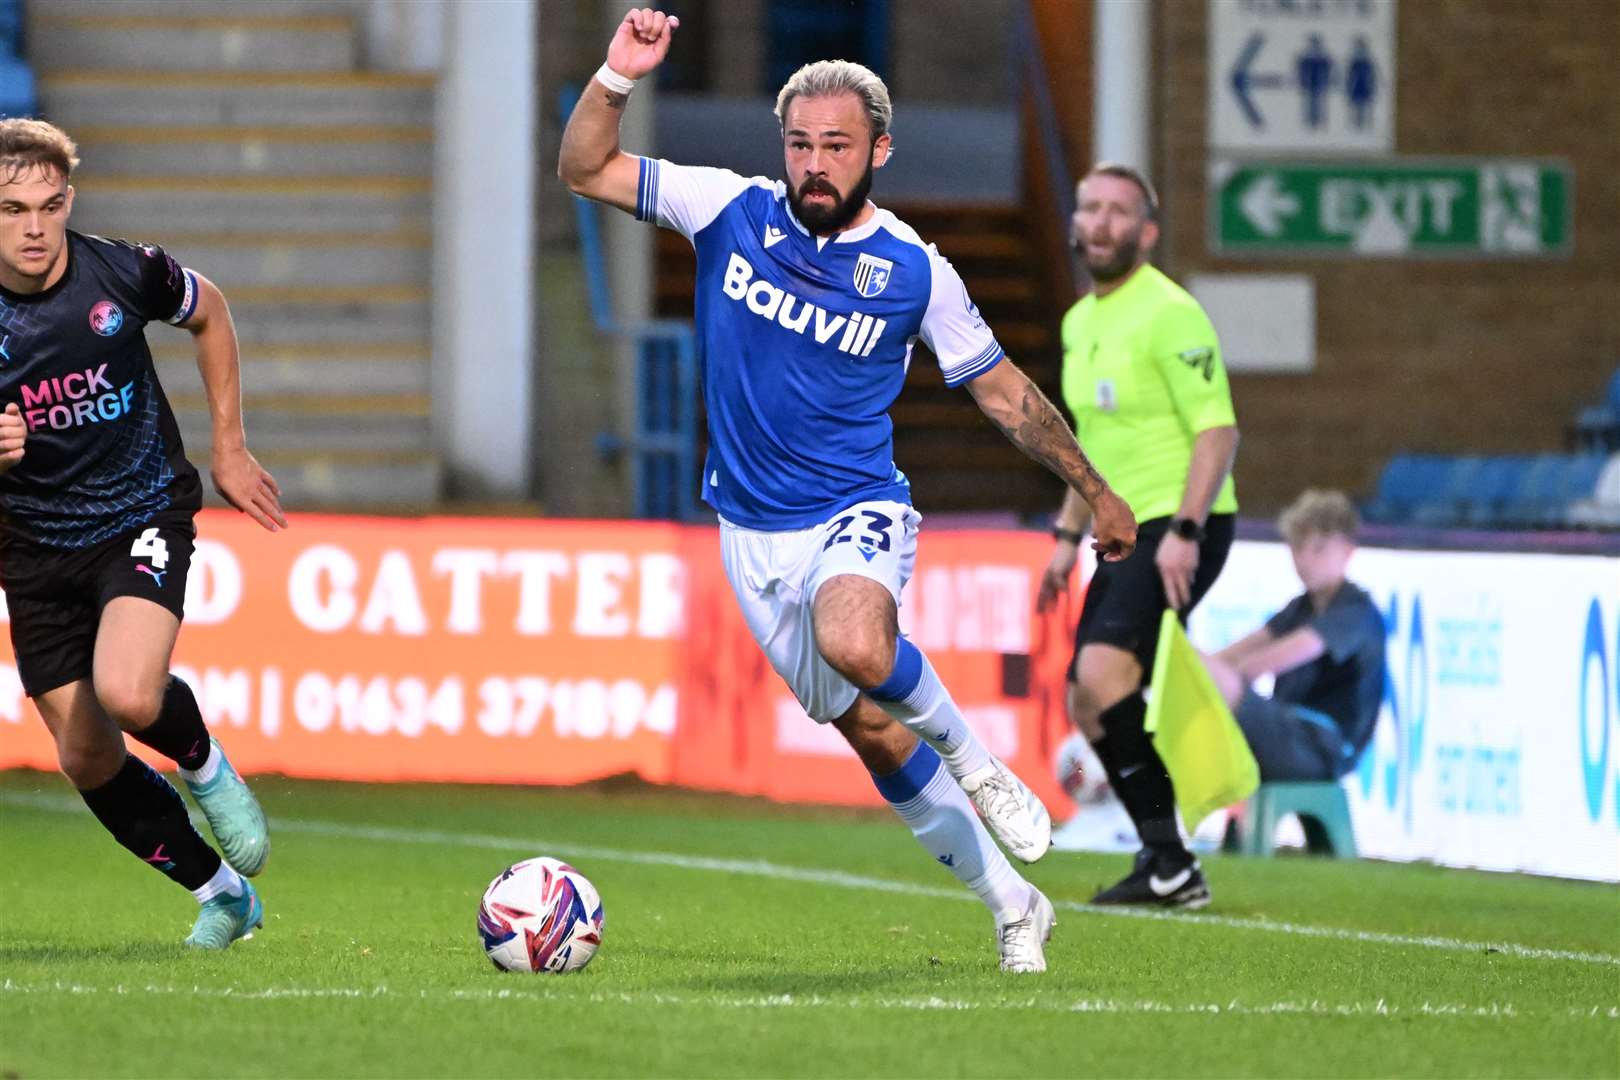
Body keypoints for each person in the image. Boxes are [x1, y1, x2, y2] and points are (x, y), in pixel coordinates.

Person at [560, 9, 1137, 973]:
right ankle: (1013, 904)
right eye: (799, 144)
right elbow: (585, 168)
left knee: (858, 641)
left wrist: (1097, 488)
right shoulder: (726, 208)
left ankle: (976, 759)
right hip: (749, 530)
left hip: (856, 507)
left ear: (880, 149)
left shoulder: (914, 270)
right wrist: (618, 76)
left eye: (836, 145)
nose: (814, 163)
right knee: (869, 731)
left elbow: (1003, 392)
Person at [0, 120, 285, 949]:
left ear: (69, 203)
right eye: (13, 208)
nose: (33, 227)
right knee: (86, 756)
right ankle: (223, 895)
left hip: (140, 514)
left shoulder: (125, 270)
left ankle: (204, 765)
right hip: (32, 548)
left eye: (49, 207)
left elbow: (213, 312)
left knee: (128, 692)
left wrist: (229, 446)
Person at [1037, 164, 1240, 909]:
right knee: (1087, 703)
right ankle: (1166, 861)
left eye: (1118, 211)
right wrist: (1065, 539)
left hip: (1179, 521)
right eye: (1089, 207)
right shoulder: (1078, 322)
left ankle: (1171, 859)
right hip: (1121, 528)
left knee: (1101, 674)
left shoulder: (1171, 313)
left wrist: (1187, 529)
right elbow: (1088, 449)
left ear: (1147, 232)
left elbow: (1218, 430)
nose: (1100, 222)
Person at [1202, 490, 1386, 781]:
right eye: (1297, 547)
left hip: (1324, 748)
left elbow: (1258, 665)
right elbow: (1237, 653)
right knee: (1196, 672)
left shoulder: (1355, 611)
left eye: (1319, 548)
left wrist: (1206, 676)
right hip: (1288, 728)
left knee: (1207, 678)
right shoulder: (1300, 607)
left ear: (1348, 551)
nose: (1305, 559)